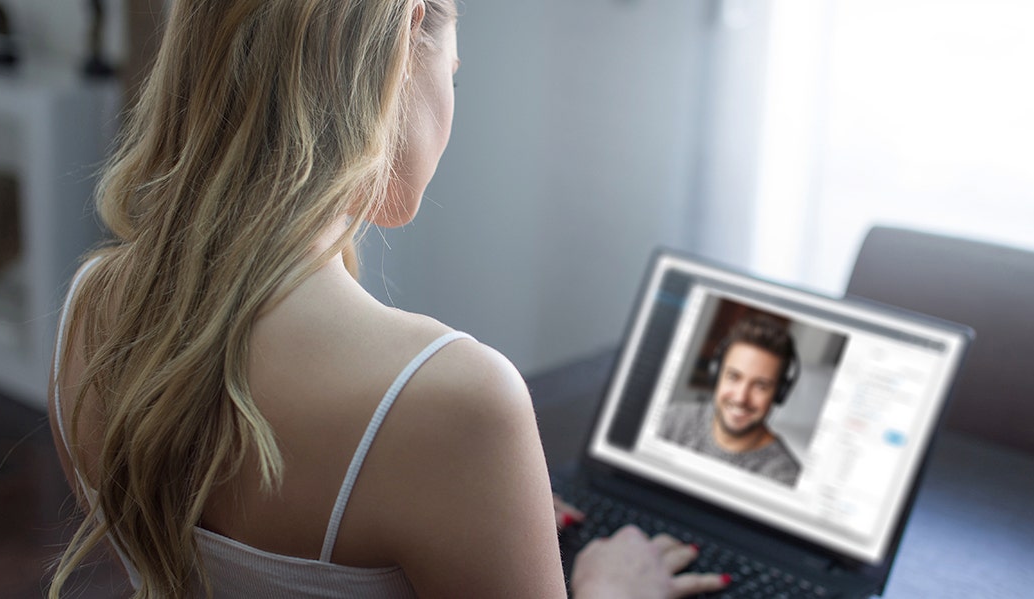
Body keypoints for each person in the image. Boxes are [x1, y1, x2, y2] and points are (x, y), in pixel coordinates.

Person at [46, 1, 730, 597]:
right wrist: (610, 586)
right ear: (406, 40)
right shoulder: (455, 400)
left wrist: (483, 510)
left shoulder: (88, 306)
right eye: (454, 71)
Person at [659, 315, 803, 487]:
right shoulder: (671, 420)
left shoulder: (783, 477)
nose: (741, 398)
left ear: (779, 394)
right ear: (716, 375)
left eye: (760, 386)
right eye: (733, 377)